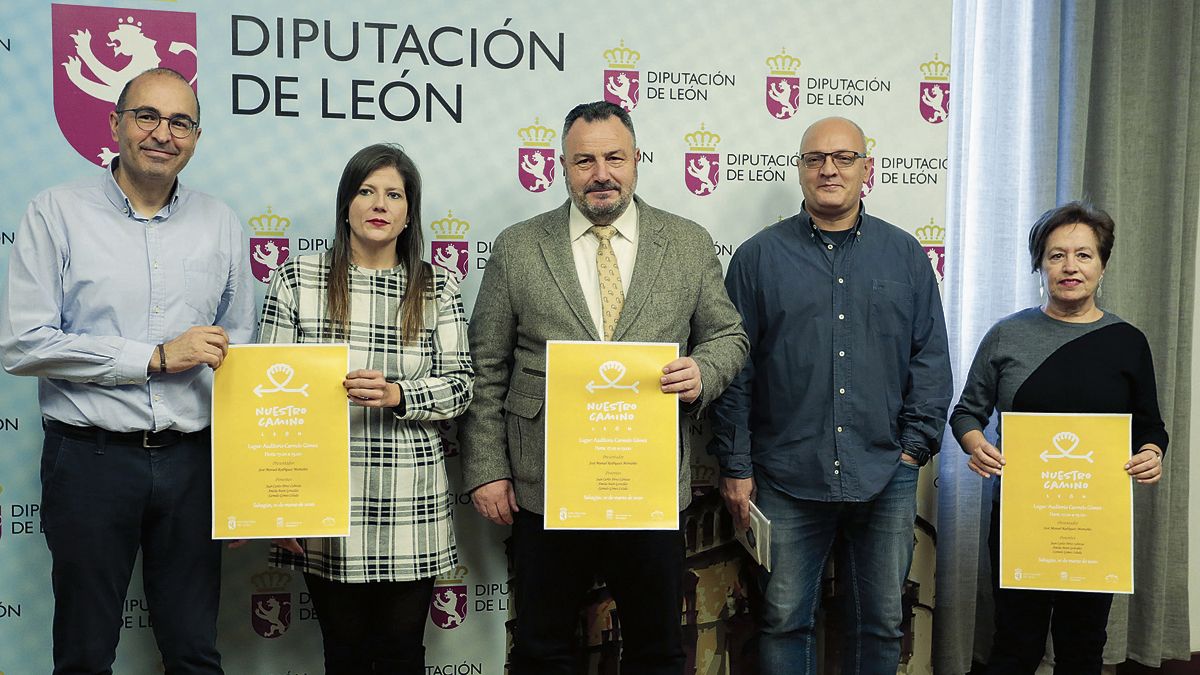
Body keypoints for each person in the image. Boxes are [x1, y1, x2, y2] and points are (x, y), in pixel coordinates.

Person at [459, 100, 748, 674]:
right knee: (543, 648)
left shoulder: (687, 242)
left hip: (647, 484)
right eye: (584, 160)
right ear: (562, 167)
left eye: (614, 157)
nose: (601, 174)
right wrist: (487, 468)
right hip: (544, 485)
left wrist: (703, 371)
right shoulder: (519, 247)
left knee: (657, 648)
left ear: (636, 159)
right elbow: (486, 364)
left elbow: (729, 336)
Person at [0, 67, 256, 674]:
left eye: (180, 122)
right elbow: (24, 344)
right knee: (86, 655)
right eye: (147, 116)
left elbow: (239, 355)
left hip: (193, 464)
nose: (162, 133)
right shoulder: (56, 213)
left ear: (196, 137)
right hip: (90, 462)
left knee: (195, 651)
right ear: (115, 123)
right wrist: (153, 356)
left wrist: (247, 481)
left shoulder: (221, 222)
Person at [709, 116, 952, 674]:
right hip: (786, 473)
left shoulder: (907, 257)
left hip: (884, 472)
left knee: (882, 622)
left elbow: (930, 359)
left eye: (843, 158)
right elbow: (734, 371)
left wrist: (912, 450)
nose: (828, 169)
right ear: (799, 170)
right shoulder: (757, 259)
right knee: (785, 619)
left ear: (867, 168)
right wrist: (737, 465)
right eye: (815, 158)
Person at [256, 143, 474, 675]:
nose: (379, 204)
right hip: (325, 498)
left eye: (393, 194)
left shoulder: (438, 284)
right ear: (346, 205)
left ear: (408, 213)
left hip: (411, 498)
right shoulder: (295, 279)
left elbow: (464, 387)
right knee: (345, 654)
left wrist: (401, 394)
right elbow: (267, 402)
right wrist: (277, 506)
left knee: (401, 655)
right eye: (366, 191)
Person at [950, 201, 1165, 674]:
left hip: (1095, 521)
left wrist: (1151, 453)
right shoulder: (1007, 335)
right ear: (1039, 265)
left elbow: (1151, 427)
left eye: (1084, 255)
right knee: (1014, 644)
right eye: (1056, 255)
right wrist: (974, 443)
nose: (1070, 266)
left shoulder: (1128, 341)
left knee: (1083, 646)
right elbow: (966, 411)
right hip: (1022, 517)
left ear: (1102, 264)